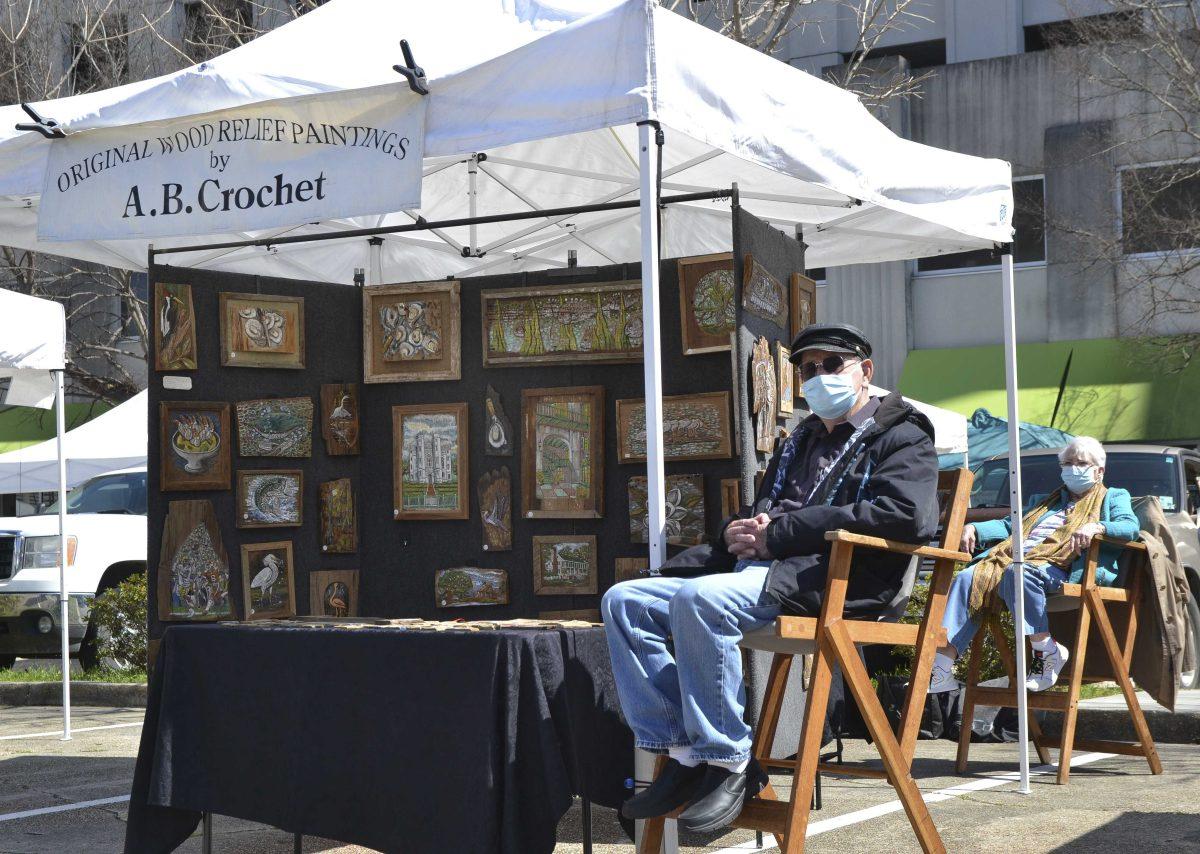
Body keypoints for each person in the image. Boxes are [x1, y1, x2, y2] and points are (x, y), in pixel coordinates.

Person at [602, 323, 939, 833]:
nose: (819, 377)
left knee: (700, 598)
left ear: (865, 372)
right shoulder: (797, 441)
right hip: (764, 569)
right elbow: (768, 512)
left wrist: (778, 533)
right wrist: (740, 530)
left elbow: (907, 516)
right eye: (809, 369)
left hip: (833, 579)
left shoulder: (902, 435)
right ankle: (684, 750)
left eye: (832, 366)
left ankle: (729, 759)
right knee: (625, 600)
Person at [930, 436, 1138, 695]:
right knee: (967, 578)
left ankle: (1046, 649)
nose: (1073, 468)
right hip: (1019, 564)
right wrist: (973, 527)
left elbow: (1130, 527)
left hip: (1064, 567)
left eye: (1081, 463)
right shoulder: (1046, 501)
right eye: (1068, 462)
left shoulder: (1114, 496)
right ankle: (941, 667)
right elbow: (1010, 526)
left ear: (1099, 470)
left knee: (1018, 571)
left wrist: (1098, 526)